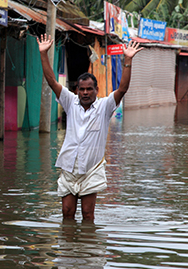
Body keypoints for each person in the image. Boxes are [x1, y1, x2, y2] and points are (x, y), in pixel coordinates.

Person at [37, 34, 143, 221]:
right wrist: (43, 54)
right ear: (76, 90)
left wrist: (128, 60)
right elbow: (52, 81)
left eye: (89, 89)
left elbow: (123, 89)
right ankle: (70, 249)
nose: (85, 92)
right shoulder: (70, 102)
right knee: (67, 213)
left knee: (88, 214)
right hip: (69, 167)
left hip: (91, 169)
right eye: (82, 89)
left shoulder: (104, 106)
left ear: (96, 90)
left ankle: (87, 249)